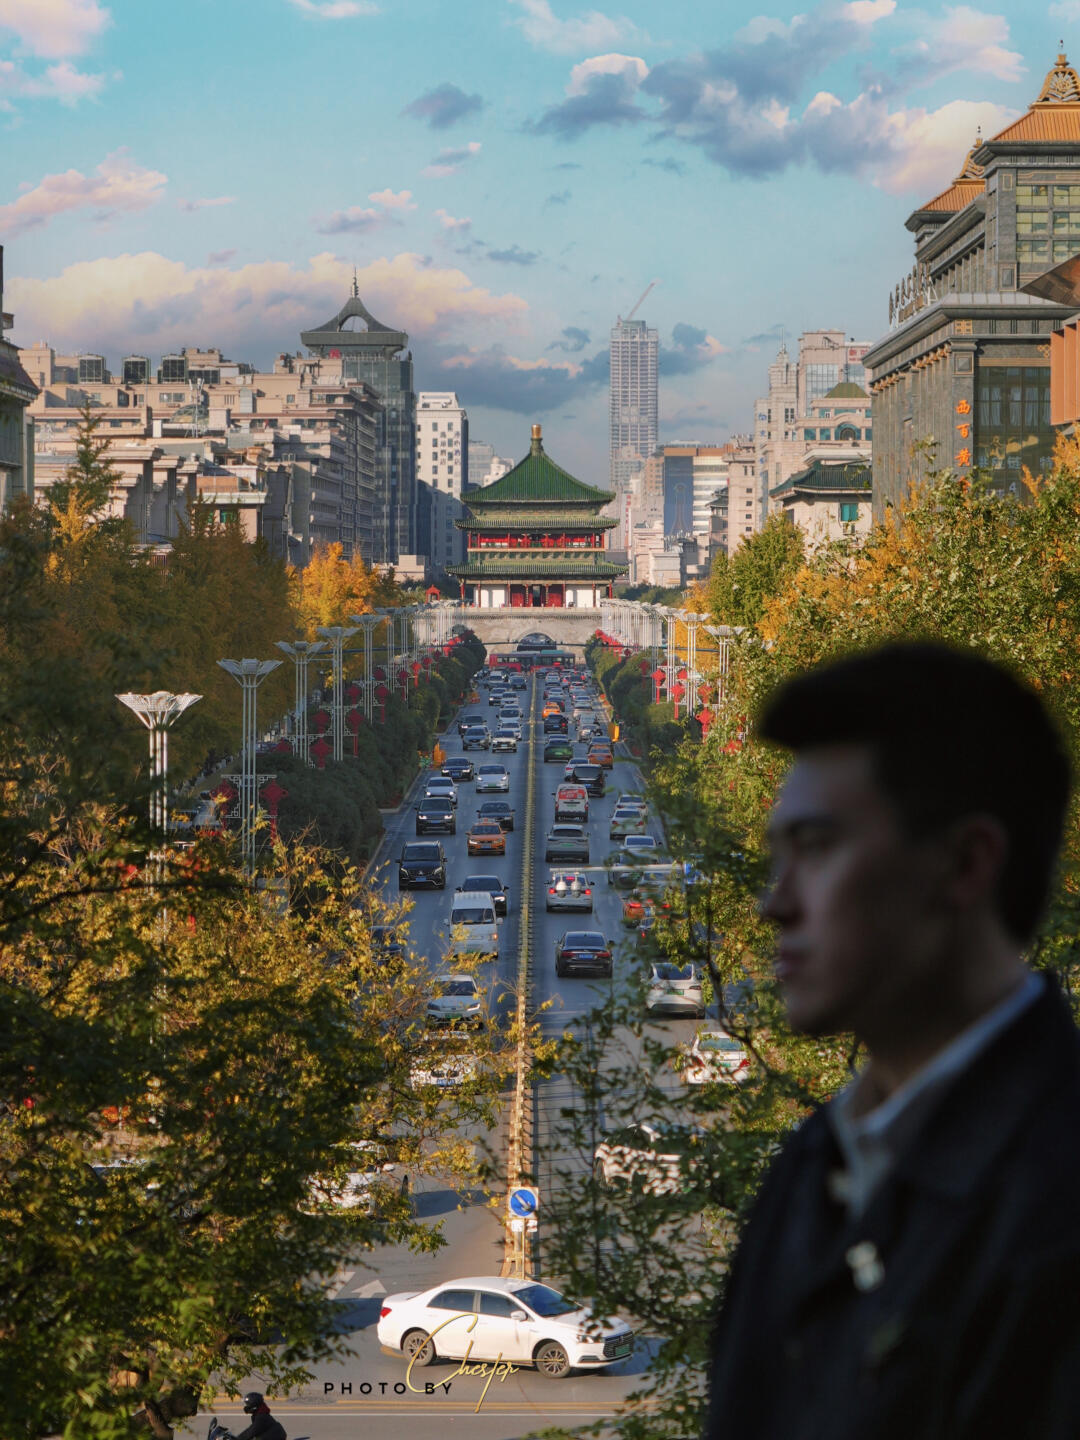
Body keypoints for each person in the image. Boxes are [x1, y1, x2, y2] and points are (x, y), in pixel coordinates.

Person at [706, 643, 1080, 1440]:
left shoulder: (1053, 1208)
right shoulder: (814, 1170)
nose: (776, 903)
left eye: (814, 849)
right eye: (778, 856)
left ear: (965, 864)